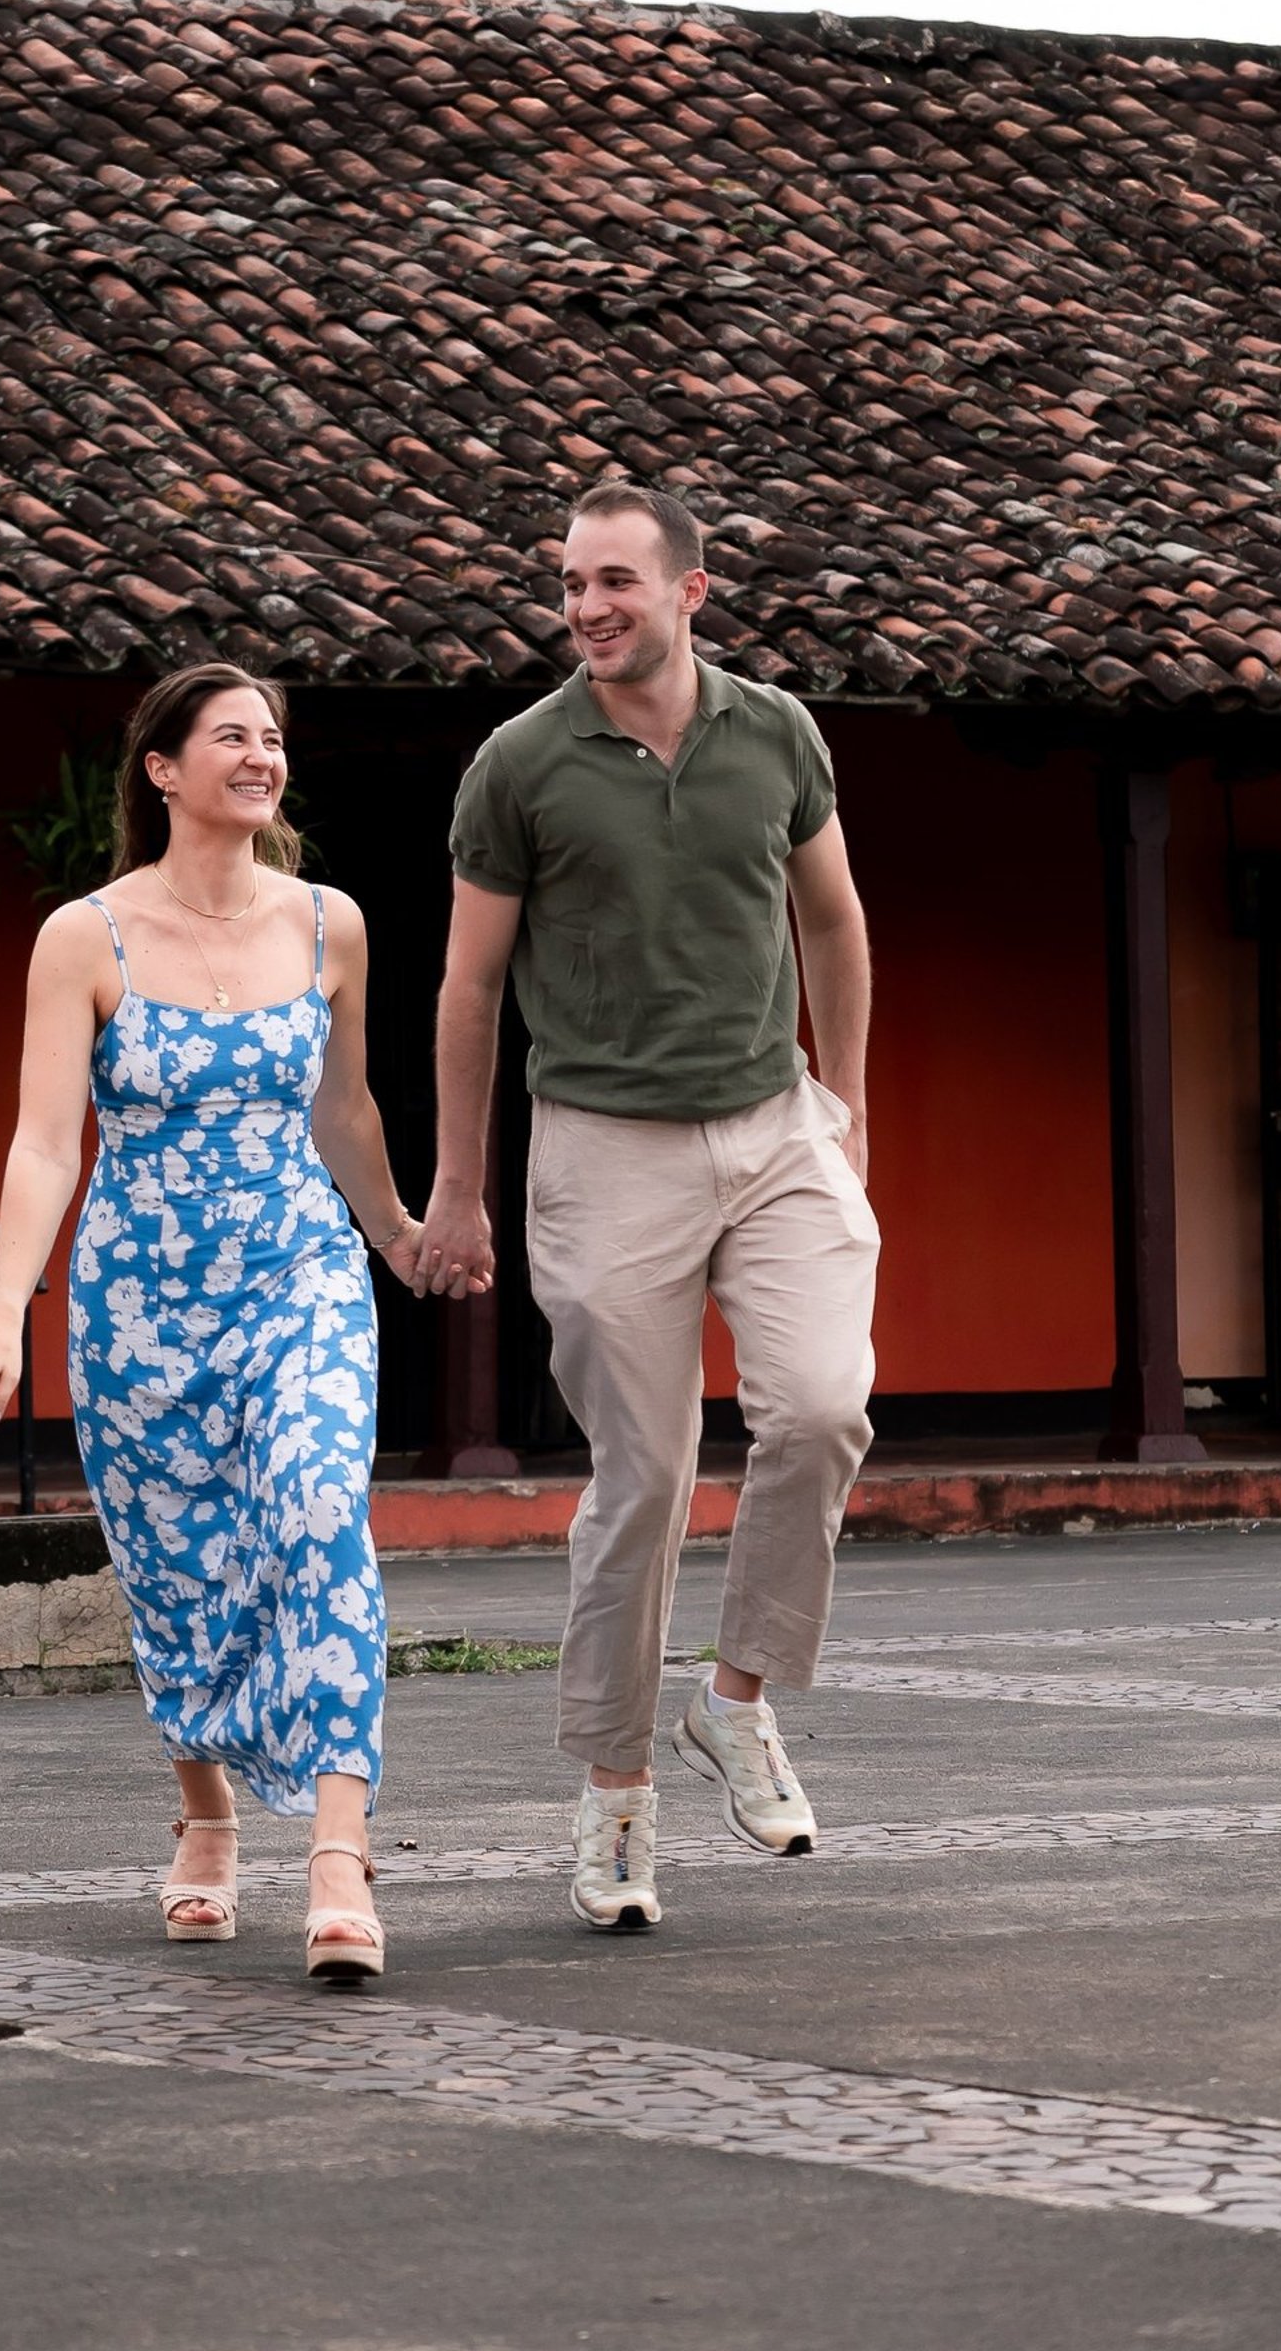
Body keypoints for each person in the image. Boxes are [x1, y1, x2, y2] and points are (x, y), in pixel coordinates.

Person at [0, 662, 429, 1983]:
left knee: (319, 1509)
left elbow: (347, 1111)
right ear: (162, 768)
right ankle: (205, 1815)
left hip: (298, 1270)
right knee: (179, 1562)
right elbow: (43, 1145)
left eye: (271, 739)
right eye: (231, 737)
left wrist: (399, 1234)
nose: (261, 757)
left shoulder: (332, 924)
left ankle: (337, 1857)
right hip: (137, 1300)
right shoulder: (85, 936)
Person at [417, 483, 878, 1931]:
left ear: (689, 589)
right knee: (650, 1479)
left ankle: (734, 1701)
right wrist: (458, 1189)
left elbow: (834, 923)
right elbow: (471, 988)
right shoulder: (524, 762)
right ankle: (617, 1793)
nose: (586, 605)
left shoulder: (777, 735)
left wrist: (843, 1104)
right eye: (569, 585)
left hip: (774, 1125)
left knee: (819, 1406)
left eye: (614, 579)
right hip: (606, 1148)